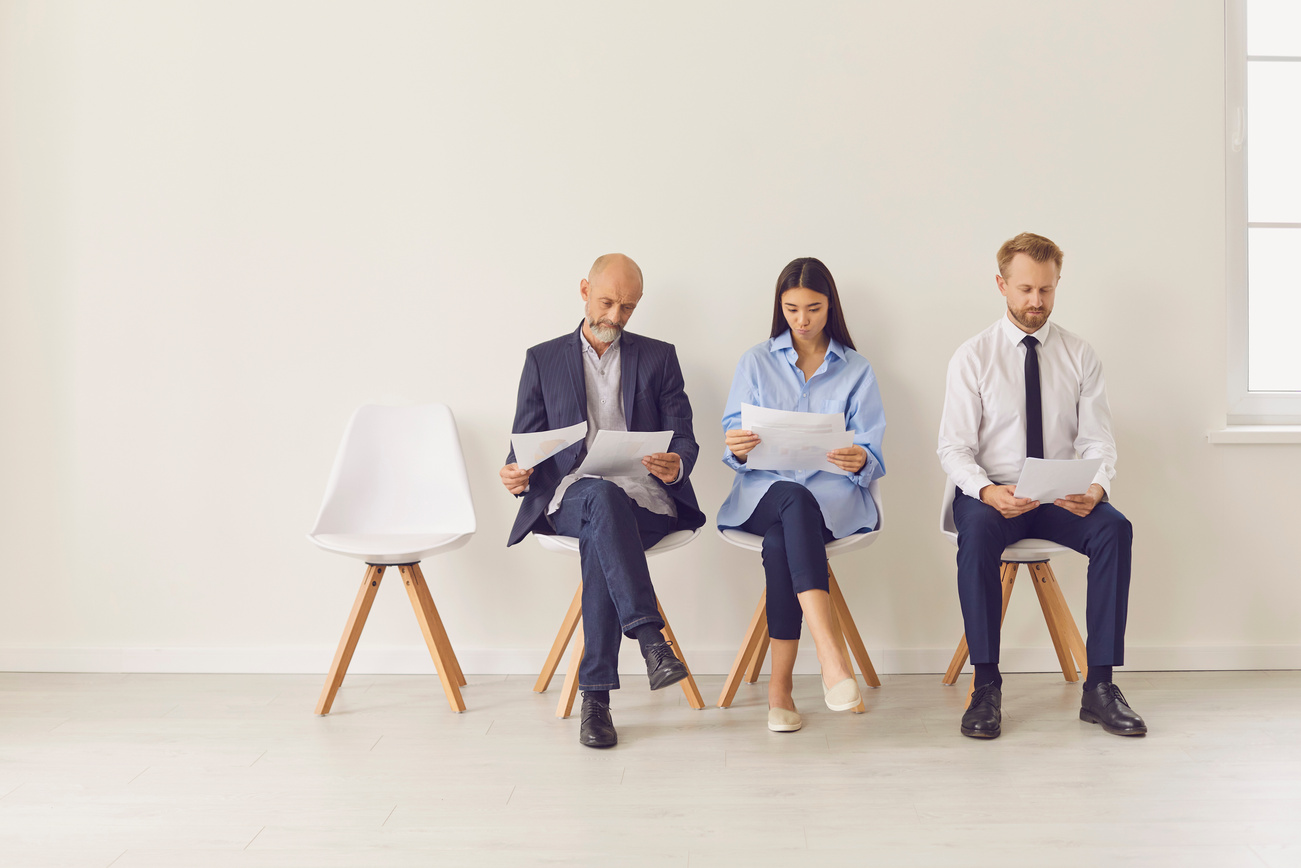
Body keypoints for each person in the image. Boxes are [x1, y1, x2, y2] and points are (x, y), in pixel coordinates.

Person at [937, 232, 1146, 739]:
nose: (1036, 302)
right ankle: (985, 686)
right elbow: (953, 448)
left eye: (1046, 291)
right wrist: (986, 491)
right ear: (1001, 285)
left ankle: (1100, 687)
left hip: (1056, 493)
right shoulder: (974, 356)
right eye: (1026, 289)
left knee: (1114, 530)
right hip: (994, 493)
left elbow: (1098, 441)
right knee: (979, 536)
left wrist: (1095, 487)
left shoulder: (1079, 354)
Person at [501, 253, 706, 748]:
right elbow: (522, 446)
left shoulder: (659, 357)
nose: (615, 316)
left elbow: (685, 437)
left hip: (644, 500)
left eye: (628, 307)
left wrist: (676, 463)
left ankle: (597, 697)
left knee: (605, 518)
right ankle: (651, 641)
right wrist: (515, 473)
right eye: (607, 302)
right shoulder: (543, 359)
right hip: (570, 497)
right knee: (597, 498)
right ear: (583, 290)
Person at [718, 257, 886, 733]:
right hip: (761, 497)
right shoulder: (755, 361)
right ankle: (831, 657)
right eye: (792, 309)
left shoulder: (857, 369)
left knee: (780, 544)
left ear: (830, 305)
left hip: (831, 504)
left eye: (813, 308)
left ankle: (781, 690)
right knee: (790, 495)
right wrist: (739, 447)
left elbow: (872, 451)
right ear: (781, 307)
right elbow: (734, 443)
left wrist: (861, 460)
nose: (802, 320)